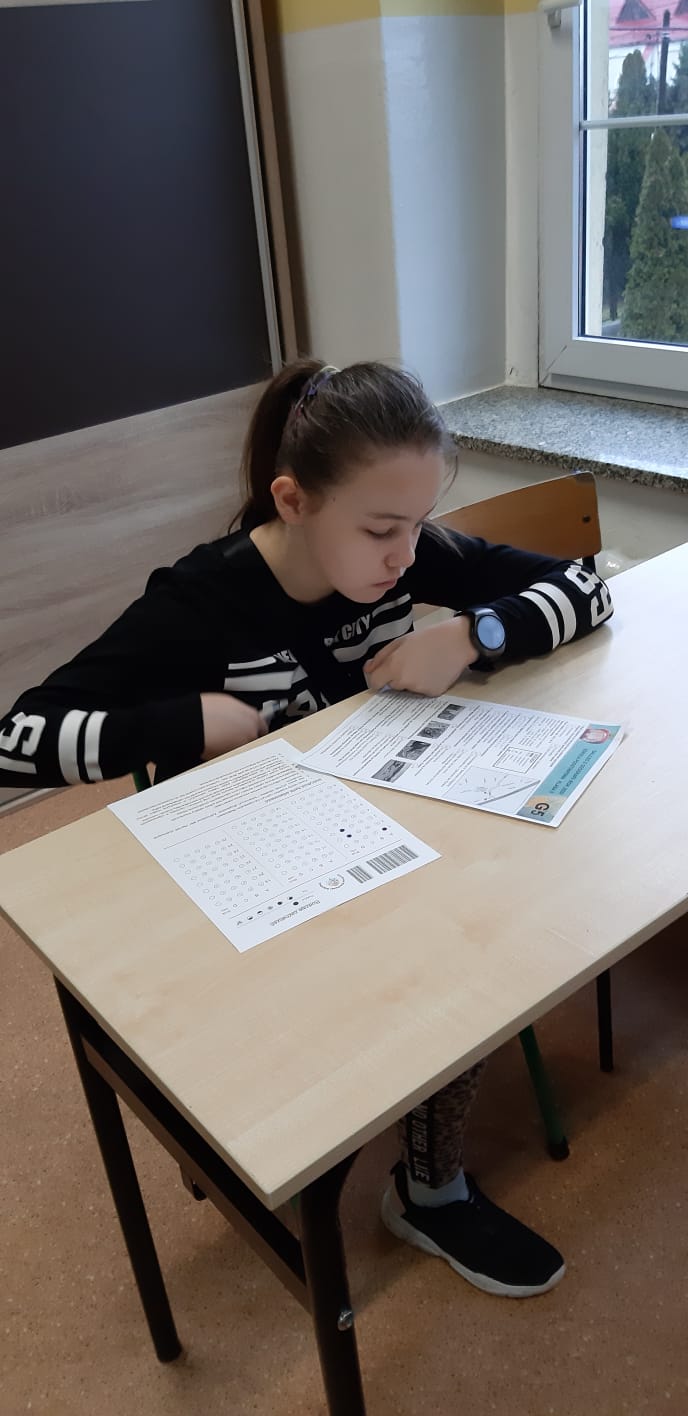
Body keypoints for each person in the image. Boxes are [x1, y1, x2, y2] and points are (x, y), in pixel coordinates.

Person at [0, 359, 614, 1298]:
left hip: (396, 842)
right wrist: (180, 722)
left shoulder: (411, 553)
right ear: (292, 501)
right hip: (274, 881)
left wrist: (470, 636)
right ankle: (399, 1171)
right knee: (454, 946)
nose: (405, 557)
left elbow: (585, 586)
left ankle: (427, 1187)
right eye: (380, 530)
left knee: (489, 914)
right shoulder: (200, 602)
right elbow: (16, 742)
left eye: (418, 524)